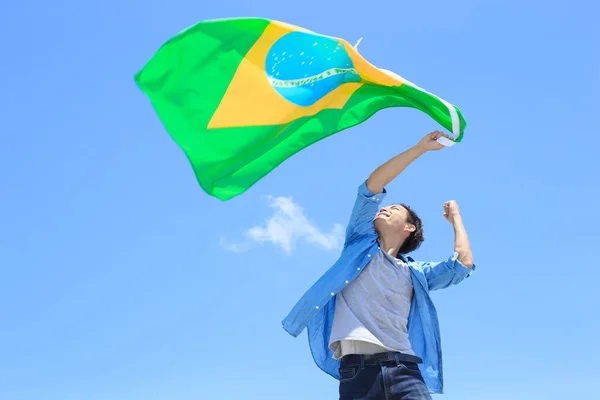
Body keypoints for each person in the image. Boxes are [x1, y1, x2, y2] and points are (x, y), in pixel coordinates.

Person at [282, 131, 476, 399]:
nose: (384, 208)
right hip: (357, 373)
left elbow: (463, 264)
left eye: (394, 209)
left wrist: (456, 218)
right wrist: (420, 148)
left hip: (406, 371)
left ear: (409, 227)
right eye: (384, 206)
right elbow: (372, 185)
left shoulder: (415, 273)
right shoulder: (359, 243)